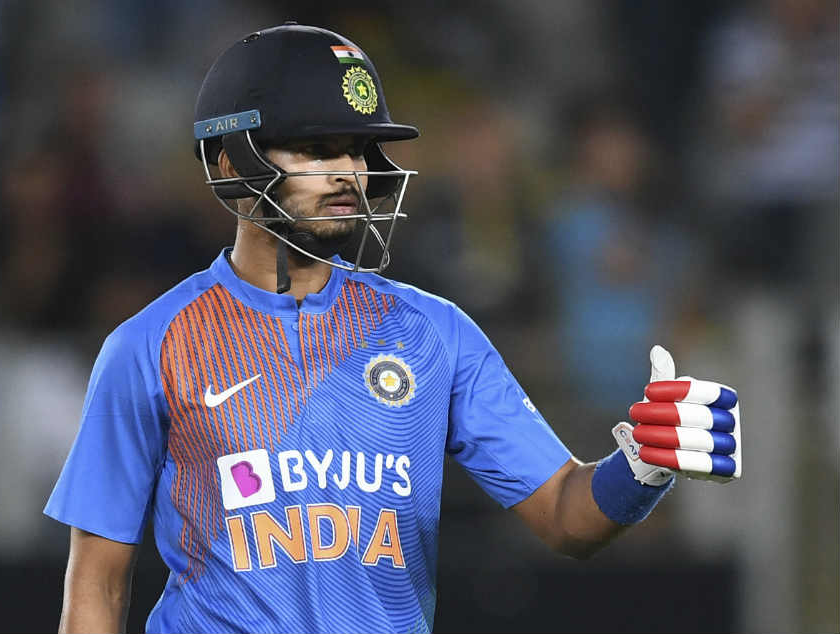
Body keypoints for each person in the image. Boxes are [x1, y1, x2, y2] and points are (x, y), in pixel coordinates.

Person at [45, 23, 743, 634]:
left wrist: (641, 469)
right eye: (315, 149)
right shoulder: (149, 346)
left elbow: (565, 513)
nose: (347, 172)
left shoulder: (433, 333)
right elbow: (97, 582)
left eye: (356, 149)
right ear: (232, 162)